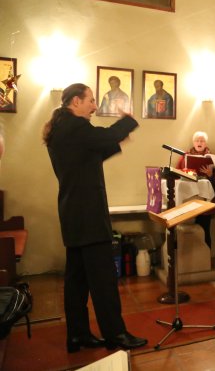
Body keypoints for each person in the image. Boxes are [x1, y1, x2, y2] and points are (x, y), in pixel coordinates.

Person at [42, 83, 147, 351]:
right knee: (103, 280)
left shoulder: (62, 128)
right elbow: (100, 139)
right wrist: (129, 121)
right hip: (88, 214)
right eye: (90, 100)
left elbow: (91, 154)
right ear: (75, 101)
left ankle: (77, 335)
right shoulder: (75, 126)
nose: (94, 105)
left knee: (76, 281)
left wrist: (115, 140)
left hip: (72, 212)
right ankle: (116, 335)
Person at [176, 131, 215, 249]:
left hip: (204, 200)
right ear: (193, 142)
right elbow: (177, 173)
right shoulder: (185, 156)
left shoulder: (212, 157)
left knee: (204, 229)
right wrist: (186, 173)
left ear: (206, 143)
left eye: (202, 141)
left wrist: (210, 174)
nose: (199, 143)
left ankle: (206, 258)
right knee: (185, 230)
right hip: (188, 199)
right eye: (197, 140)